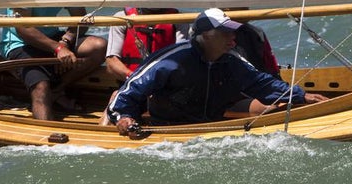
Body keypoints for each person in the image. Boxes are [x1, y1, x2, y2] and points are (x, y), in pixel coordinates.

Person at [108, 8, 327, 136]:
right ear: (206, 35)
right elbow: (130, 92)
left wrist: (301, 96)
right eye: (225, 32)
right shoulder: (172, 61)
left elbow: (263, 84)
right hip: (167, 130)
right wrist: (125, 118)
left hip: (210, 129)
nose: (233, 37)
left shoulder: (231, 62)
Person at [0, 6, 107, 120]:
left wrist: (65, 41)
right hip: (20, 44)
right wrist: (58, 49)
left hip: (52, 38)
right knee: (40, 87)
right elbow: (23, 29)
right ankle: (44, 131)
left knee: (99, 46)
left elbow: (82, 17)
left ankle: (56, 91)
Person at [104, 7, 189, 83]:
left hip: (164, 83)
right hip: (130, 83)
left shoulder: (179, 19)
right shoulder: (121, 17)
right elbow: (112, 62)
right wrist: (136, 79)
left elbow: (181, 59)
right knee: (115, 95)